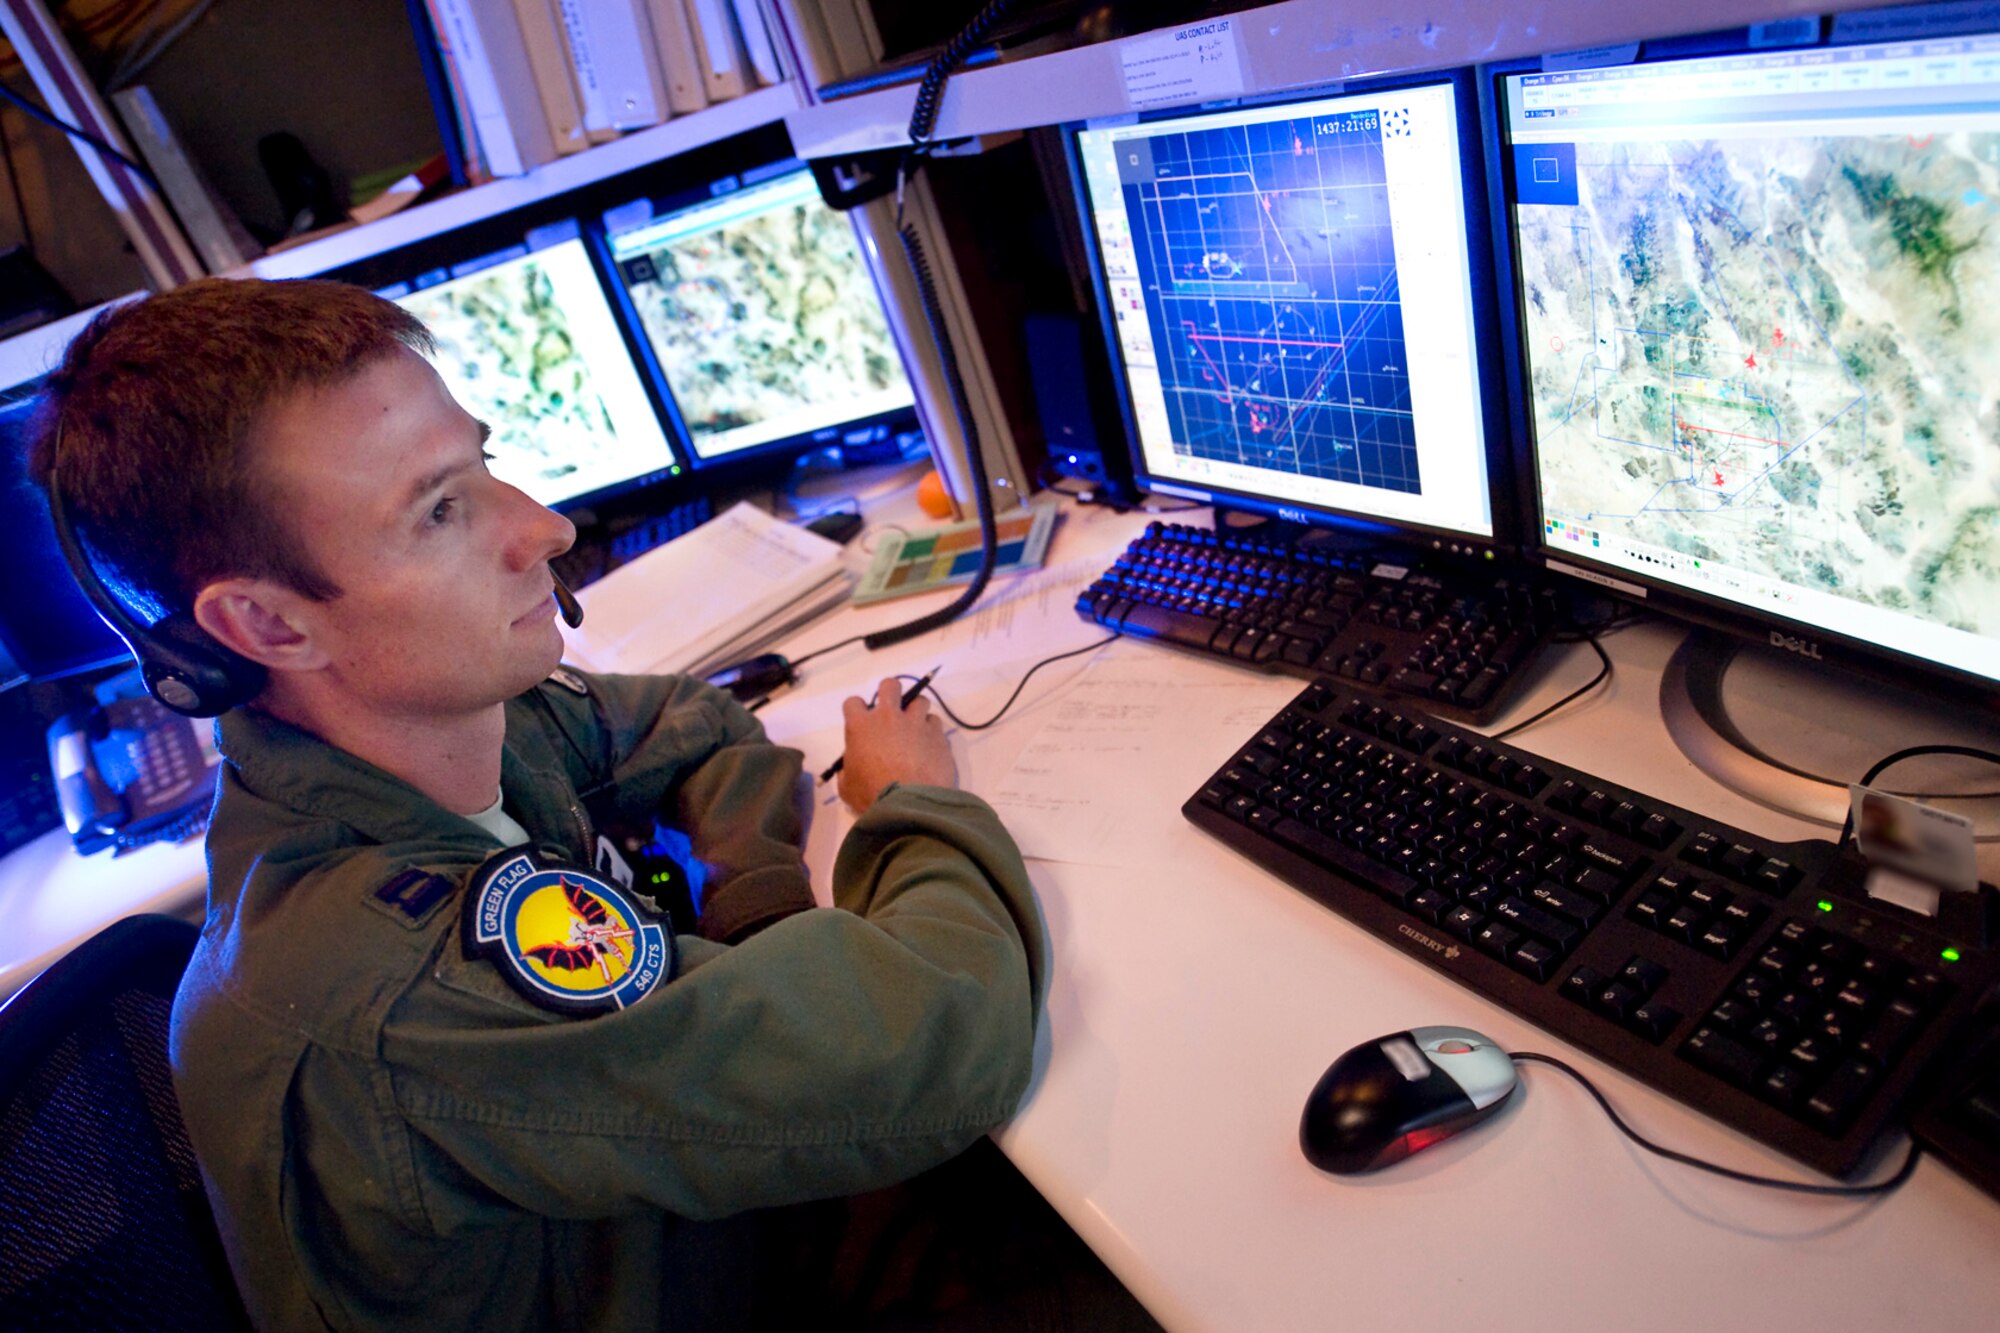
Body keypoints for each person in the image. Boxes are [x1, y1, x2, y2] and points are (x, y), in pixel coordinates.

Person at [32, 277, 1052, 1330]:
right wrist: (911, 808)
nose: (546, 528)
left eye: (481, 466)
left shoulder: (456, 718)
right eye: (437, 511)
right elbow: (949, 1040)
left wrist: (762, 916)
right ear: (270, 626)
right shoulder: (410, 980)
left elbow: (694, 728)